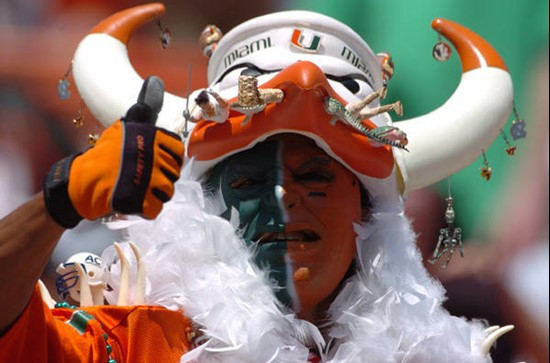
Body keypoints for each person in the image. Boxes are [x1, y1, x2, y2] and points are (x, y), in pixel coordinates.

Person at [0, 3, 516, 362]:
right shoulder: (138, 345)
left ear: (366, 210)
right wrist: (57, 202)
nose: (283, 196)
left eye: (315, 176)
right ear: (207, 209)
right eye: (247, 180)